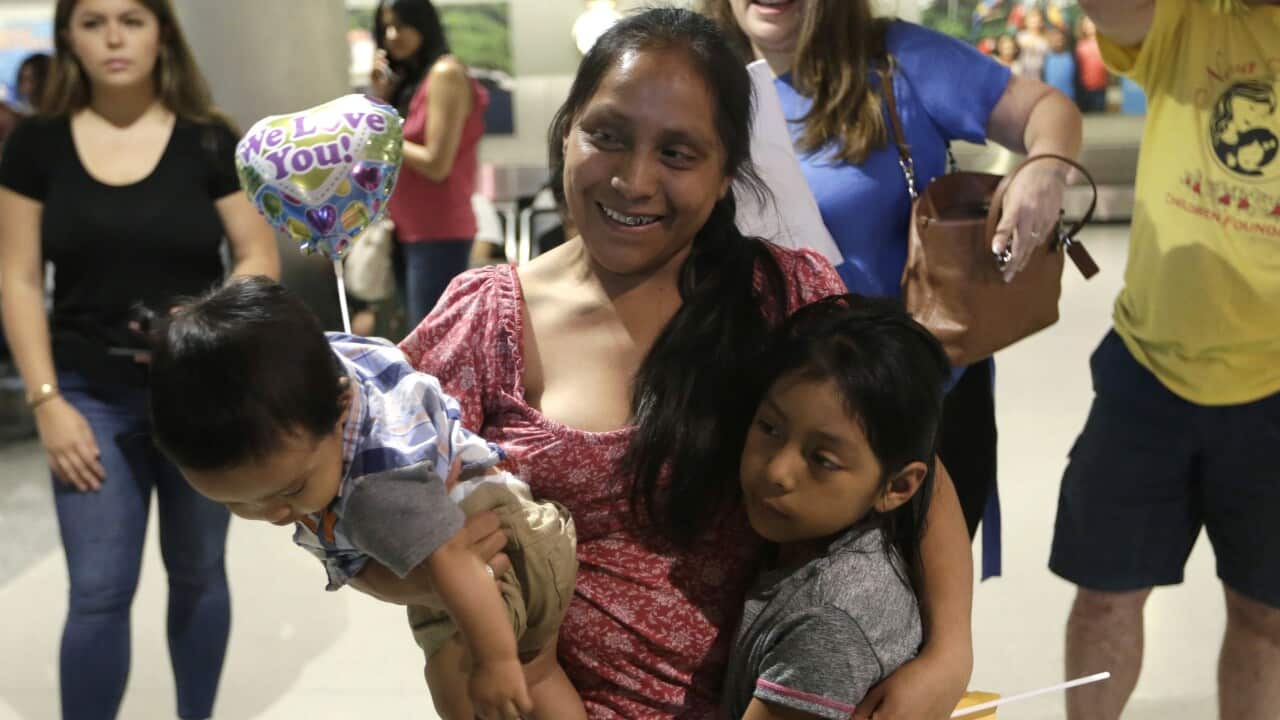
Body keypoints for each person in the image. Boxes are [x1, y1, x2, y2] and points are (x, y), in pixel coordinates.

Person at [363, 9, 975, 720]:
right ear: (567, 132)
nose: (632, 180)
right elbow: (359, 511)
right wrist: (436, 578)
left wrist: (948, 655)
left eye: (678, 154)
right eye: (607, 136)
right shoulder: (481, 323)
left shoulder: (782, 297)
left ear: (725, 176)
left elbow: (909, 462)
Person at [704, 0, 1082, 539]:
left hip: (905, 411)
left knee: (911, 611)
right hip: (757, 415)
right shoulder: (697, 72)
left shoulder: (897, 58)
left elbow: (1047, 111)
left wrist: (1046, 167)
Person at [0, 0, 279, 718]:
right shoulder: (36, 146)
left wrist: (216, 323)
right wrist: (45, 400)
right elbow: (19, 276)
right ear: (69, 37)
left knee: (197, 572)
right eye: (93, 21)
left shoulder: (210, 140)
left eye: (132, 18)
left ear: (162, 32)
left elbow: (256, 254)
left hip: (198, 394)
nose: (115, 37)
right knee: (96, 590)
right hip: (86, 393)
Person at [147, 276, 584, 720]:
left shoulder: (377, 489)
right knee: (540, 675)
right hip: (522, 527)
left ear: (339, 412)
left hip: (484, 563)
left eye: (292, 491)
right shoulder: (318, 370)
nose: (276, 515)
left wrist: (495, 661)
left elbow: (454, 557)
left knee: (457, 681)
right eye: (237, 504)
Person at [1051, 2, 1280, 719]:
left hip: (1274, 388)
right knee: (1104, 599)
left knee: (1267, 615)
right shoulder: (1192, 17)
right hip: (1148, 370)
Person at [722, 295, 949, 720]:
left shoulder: (829, 620)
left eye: (822, 460)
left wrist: (550, 678)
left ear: (897, 486)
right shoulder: (810, 546)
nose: (778, 471)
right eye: (769, 427)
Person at [371, 0, 489, 326]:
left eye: (402, 24)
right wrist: (382, 97)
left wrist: (381, 132)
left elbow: (437, 164)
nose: (393, 35)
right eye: (387, 27)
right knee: (419, 340)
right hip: (411, 231)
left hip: (438, 232)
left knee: (432, 348)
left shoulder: (445, 73)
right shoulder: (413, 83)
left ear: (424, 24)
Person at [1073, 15, 1109, 113]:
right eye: (1086, 24)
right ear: (1082, 27)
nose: (1089, 26)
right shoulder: (1079, 45)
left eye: (1092, 22)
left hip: (1100, 87)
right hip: (1084, 89)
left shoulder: (1104, 43)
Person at [1042, 26, 1076, 102]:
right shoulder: (1047, 57)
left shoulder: (1071, 56)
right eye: (1055, 40)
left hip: (1069, 97)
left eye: (1061, 39)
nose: (1058, 42)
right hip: (1051, 97)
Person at [1015, 6, 1050, 79]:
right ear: (1026, 22)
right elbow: (1025, 44)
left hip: (1041, 75)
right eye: (1032, 21)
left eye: (1038, 20)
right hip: (1024, 74)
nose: (1036, 23)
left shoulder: (1045, 37)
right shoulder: (1022, 35)